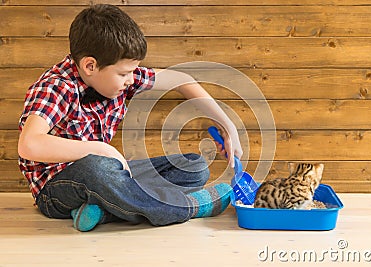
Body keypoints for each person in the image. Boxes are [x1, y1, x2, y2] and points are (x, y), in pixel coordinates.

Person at [17, 4, 243, 231]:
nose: (130, 79)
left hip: (108, 175)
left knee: (194, 168)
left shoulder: (120, 77)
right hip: (56, 190)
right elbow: (29, 144)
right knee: (98, 168)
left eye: (133, 71)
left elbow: (181, 80)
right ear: (90, 65)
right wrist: (100, 149)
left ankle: (104, 212)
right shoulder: (57, 87)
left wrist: (226, 124)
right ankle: (188, 208)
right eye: (124, 73)